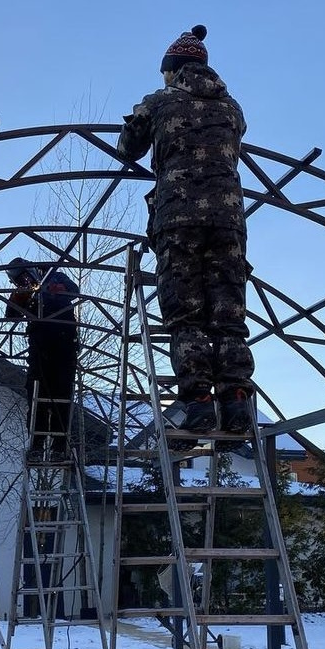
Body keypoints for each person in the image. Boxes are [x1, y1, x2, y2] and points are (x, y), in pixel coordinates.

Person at [117, 24, 255, 436]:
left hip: (178, 219)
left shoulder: (160, 102)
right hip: (229, 221)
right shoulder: (233, 109)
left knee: (186, 314)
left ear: (171, 69)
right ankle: (236, 400)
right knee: (228, 314)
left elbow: (128, 148)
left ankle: (198, 401)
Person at [4, 257, 81, 460]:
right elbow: (10, 315)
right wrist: (20, 297)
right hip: (40, 349)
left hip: (64, 345)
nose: (25, 281)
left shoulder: (54, 276)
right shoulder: (23, 291)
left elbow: (75, 290)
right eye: (20, 280)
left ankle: (59, 447)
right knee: (36, 393)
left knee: (62, 395)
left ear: (31, 270)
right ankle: (37, 445)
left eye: (25, 277)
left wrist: (57, 289)